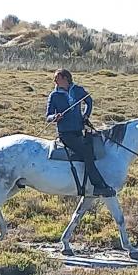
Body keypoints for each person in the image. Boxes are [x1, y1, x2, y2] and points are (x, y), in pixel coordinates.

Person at [47, 69, 114, 197]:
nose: (54, 80)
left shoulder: (78, 90)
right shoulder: (54, 95)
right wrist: (55, 117)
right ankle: (98, 186)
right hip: (65, 134)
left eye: (57, 78)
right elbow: (48, 116)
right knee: (87, 153)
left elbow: (89, 101)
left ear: (65, 78)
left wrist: (86, 115)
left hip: (79, 130)